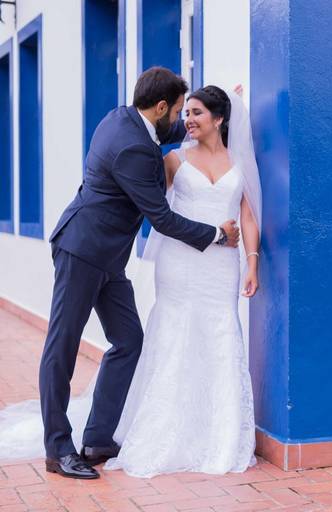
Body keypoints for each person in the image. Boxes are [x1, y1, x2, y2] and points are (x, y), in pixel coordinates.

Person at [40, 68, 241, 479]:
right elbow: (163, 219)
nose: (182, 122)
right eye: (180, 112)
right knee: (62, 346)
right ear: (162, 107)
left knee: (129, 340)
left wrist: (226, 110)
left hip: (108, 259)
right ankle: (58, 448)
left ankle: (97, 437)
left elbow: (173, 143)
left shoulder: (122, 119)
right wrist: (217, 236)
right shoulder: (133, 147)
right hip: (82, 251)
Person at [103, 85, 262, 477]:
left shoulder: (239, 161)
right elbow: (154, 208)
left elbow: (248, 218)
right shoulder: (174, 159)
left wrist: (252, 264)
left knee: (220, 334)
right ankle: (163, 431)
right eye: (185, 112)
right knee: (174, 334)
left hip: (222, 266)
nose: (187, 120)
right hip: (179, 262)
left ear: (220, 119)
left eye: (196, 113)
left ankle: (218, 435)